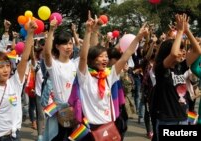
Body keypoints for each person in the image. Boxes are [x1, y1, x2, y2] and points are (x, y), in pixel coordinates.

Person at [77, 11, 149, 141]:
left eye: (106, 56)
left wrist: (138, 37)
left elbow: (126, 55)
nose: (105, 59)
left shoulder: (110, 74)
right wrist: (88, 31)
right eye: (101, 56)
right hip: (90, 129)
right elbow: (83, 57)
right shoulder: (85, 76)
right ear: (92, 60)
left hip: (108, 126)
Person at [152, 14, 201, 141]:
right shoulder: (161, 69)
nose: (182, 52)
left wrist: (187, 30)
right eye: (180, 49)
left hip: (183, 118)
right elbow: (173, 54)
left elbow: (198, 51)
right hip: (167, 120)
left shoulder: (181, 67)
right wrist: (179, 31)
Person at [42, 17, 77, 141]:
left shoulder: (76, 64)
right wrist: (51, 30)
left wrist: (92, 32)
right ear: (57, 46)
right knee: (58, 137)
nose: (68, 47)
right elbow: (46, 54)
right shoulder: (54, 65)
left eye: (70, 43)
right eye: (64, 43)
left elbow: (87, 54)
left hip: (75, 110)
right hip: (59, 111)